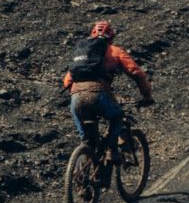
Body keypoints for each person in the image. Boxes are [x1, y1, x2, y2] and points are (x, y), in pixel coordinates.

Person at [63, 19, 153, 152]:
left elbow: (66, 82)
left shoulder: (83, 54)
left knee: (88, 141)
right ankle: (110, 149)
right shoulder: (114, 50)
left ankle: (83, 160)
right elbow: (135, 72)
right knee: (117, 117)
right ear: (111, 37)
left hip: (76, 98)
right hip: (99, 94)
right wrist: (147, 95)